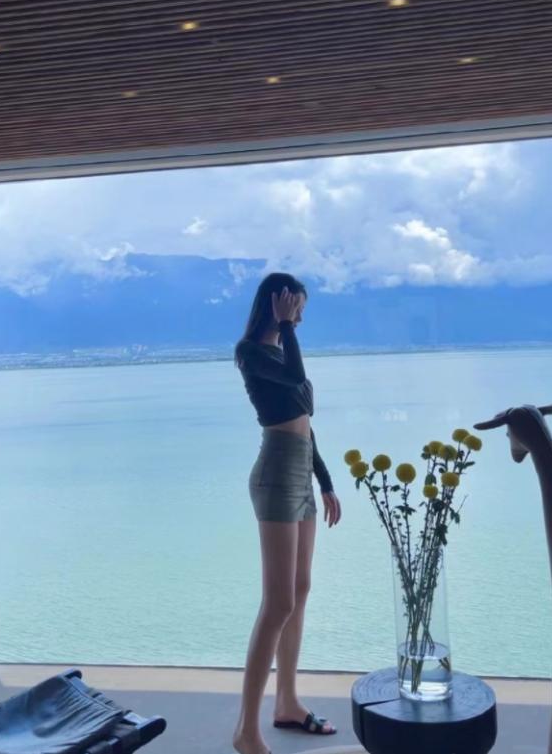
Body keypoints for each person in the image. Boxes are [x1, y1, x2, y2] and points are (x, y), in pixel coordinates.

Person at [232, 273, 342, 754]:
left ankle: (287, 703)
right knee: (277, 602)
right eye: (296, 307)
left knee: (299, 591)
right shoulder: (250, 352)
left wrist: (326, 481)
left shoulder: (280, 351)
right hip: (276, 471)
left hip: (301, 473)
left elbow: (306, 418)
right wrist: (287, 329)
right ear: (276, 304)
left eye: (300, 309)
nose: (300, 316)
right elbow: (300, 384)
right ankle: (246, 731)